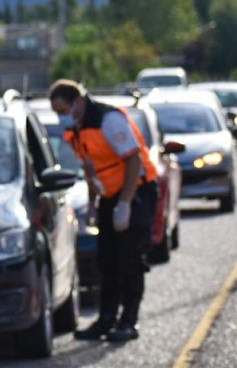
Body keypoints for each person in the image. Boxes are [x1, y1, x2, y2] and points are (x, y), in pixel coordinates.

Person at [49, 79, 159, 342]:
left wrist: (125, 204)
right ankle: (106, 320)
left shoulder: (108, 120)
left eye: (63, 110)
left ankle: (128, 322)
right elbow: (90, 168)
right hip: (109, 196)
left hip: (136, 193)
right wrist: (93, 203)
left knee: (130, 261)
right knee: (107, 262)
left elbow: (133, 160)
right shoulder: (78, 127)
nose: (60, 117)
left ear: (78, 102)